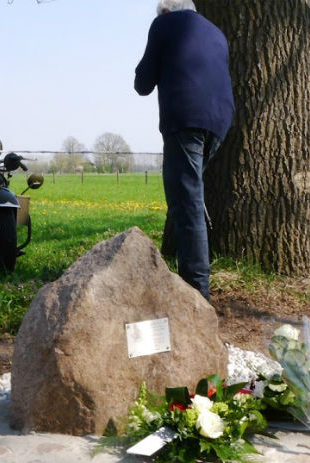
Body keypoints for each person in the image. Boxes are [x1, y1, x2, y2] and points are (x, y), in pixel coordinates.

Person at [134, 0, 234, 301]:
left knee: (187, 205)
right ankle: (187, 276)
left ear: (166, 9)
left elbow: (143, 83)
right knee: (189, 196)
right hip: (220, 121)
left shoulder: (163, 23)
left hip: (186, 118)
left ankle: (196, 296)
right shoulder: (217, 33)